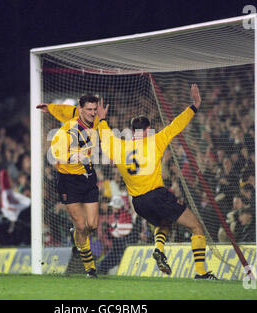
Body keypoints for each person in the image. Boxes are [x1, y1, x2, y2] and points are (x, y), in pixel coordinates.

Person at [97, 84, 217, 279]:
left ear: (132, 130)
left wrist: (102, 119)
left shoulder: (117, 147)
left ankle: (159, 249)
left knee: (164, 223)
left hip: (138, 203)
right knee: (196, 226)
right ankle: (201, 273)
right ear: (148, 130)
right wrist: (194, 106)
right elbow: (176, 125)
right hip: (156, 195)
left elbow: (105, 135)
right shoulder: (155, 140)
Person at [37, 94, 101, 278]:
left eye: (94, 109)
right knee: (82, 227)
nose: (92, 113)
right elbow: (55, 153)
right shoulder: (66, 131)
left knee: (92, 225)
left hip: (88, 177)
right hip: (68, 181)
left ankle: (78, 234)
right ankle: (90, 269)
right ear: (81, 110)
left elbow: (65, 110)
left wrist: (50, 107)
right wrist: (74, 157)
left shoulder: (94, 121)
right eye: (89, 109)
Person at [98, 195, 133, 275]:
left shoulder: (125, 215)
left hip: (122, 248)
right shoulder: (118, 215)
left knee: (102, 266)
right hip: (117, 248)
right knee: (102, 266)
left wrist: (108, 230)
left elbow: (121, 233)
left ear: (117, 207)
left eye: (113, 206)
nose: (112, 208)